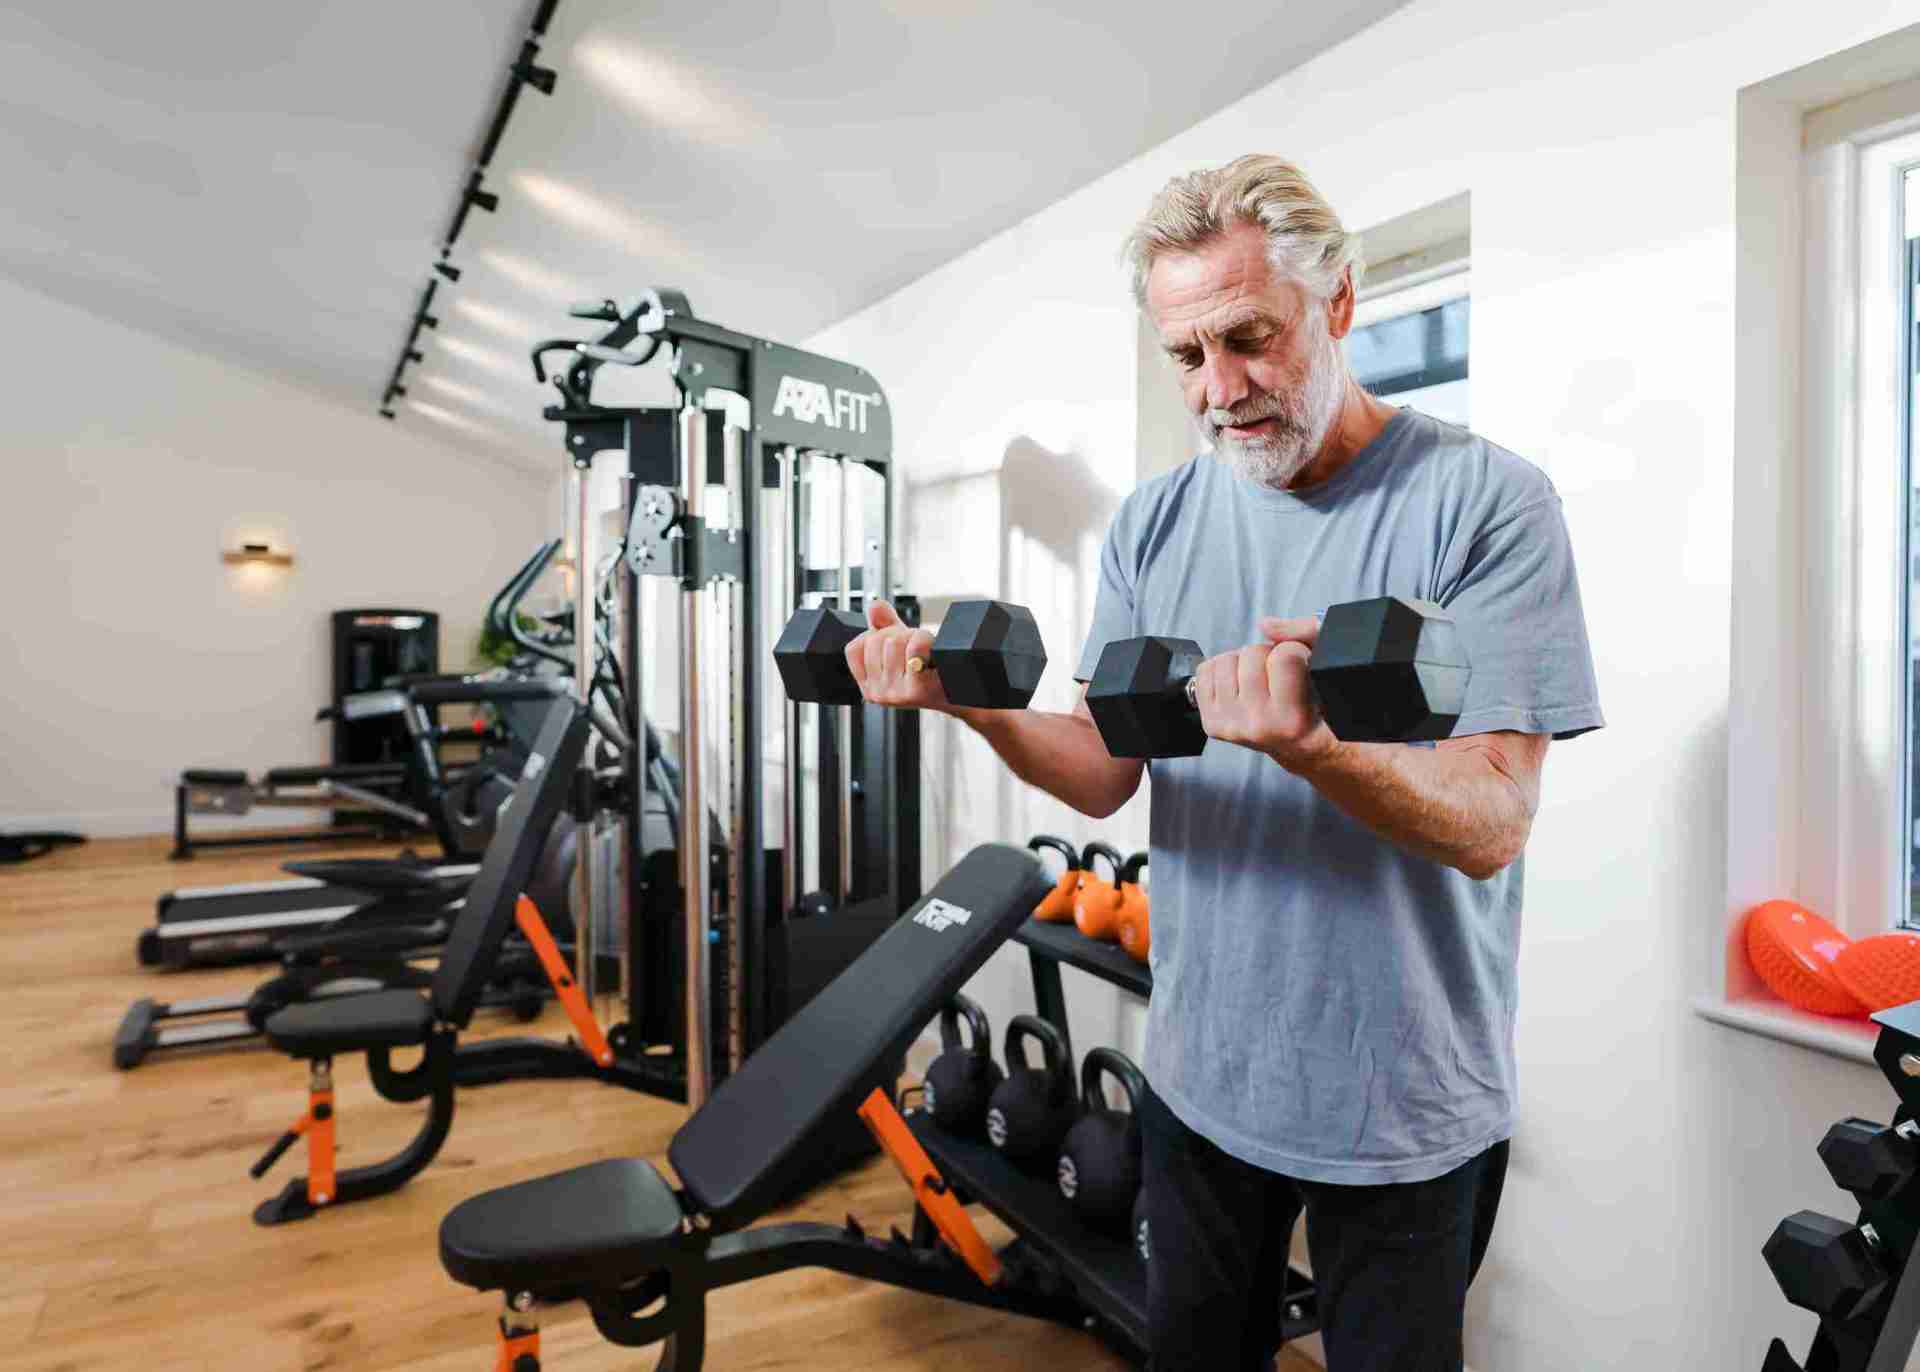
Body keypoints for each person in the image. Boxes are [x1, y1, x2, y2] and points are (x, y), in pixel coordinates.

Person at [846, 154, 1603, 1371]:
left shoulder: (1487, 504)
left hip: (1405, 1102)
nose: (1222, 388)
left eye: (1251, 338)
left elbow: (1494, 817)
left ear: (1340, 303)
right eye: (1187, 356)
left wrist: (1318, 748)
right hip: (1202, 1077)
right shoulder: (1154, 520)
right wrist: (969, 707)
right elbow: (1103, 766)